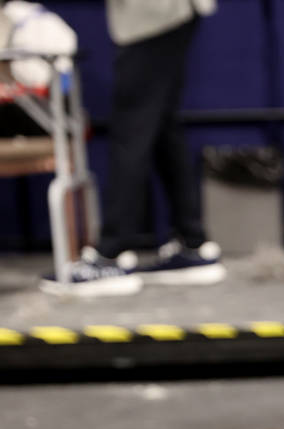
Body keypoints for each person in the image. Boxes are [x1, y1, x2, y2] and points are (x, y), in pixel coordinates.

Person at [40, 0, 224, 297]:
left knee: (132, 128)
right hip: (168, 12)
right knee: (162, 125)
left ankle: (111, 255)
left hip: (155, 13)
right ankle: (192, 244)